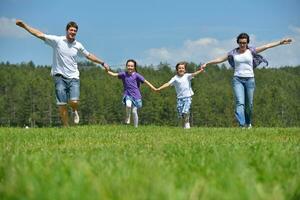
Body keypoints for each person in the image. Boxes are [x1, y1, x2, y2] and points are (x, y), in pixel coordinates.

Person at [16, 19, 110, 127]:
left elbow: (88, 55)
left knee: (74, 101)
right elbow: (39, 34)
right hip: (59, 76)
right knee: (62, 104)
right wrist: (24, 26)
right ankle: (66, 127)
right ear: (67, 30)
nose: (73, 32)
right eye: (71, 30)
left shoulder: (78, 45)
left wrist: (102, 63)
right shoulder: (58, 41)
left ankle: (74, 111)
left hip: (74, 77)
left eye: (75, 31)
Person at [200, 33, 292, 128]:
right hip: (237, 79)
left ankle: (248, 123)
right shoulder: (233, 53)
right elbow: (219, 59)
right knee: (240, 102)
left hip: (250, 80)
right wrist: (207, 63)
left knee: (249, 105)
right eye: (240, 42)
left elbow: (267, 46)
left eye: (244, 42)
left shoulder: (251, 51)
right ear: (238, 43)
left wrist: (280, 42)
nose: (242, 45)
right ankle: (242, 124)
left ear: (247, 43)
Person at [105, 59, 157, 127]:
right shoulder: (124, 74)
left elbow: (146, 81)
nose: (130, 67)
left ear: (134, 67)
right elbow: (113, 74)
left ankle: (136, 127)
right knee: (128, 105)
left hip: (136, 96)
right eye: (128, 66)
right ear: (126, 66)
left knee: (134, 112)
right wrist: (106, 70)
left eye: (131, 66)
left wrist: (154, 88)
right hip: (128, 95)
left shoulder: (137, 75)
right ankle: (128, 117)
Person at [157, 61, 204, 129]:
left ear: (185, 70)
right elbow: (168, 83)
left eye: (182, 68)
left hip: (187, 97)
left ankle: (187, 124)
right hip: (179, 98)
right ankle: (183, 126)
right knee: (181, 114)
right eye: (179, 68)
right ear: (177, 70)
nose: (181, 69)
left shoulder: (187, 76)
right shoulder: (175, 78)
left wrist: (200, 70)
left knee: (185, 111)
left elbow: (194, 74)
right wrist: (159, 88)